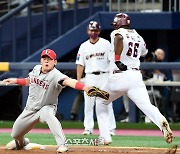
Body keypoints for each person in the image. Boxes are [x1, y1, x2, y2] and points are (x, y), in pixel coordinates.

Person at [95, 13, 173, 145]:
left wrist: (118, 59)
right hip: (135, 76)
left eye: (115, 24)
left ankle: (105, 136)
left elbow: (119, 38)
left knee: (100, 101)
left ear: (119, 23)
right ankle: (161, 121)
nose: (114, 26)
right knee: (147, 106)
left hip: (119, 75)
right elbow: (146, 54)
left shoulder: (118, 32)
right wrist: (154, 56)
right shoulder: (139, 37)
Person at [3, 49, 101, 153]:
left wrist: (84, 87)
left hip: (46, 107)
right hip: (30, 109)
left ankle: (62, 144)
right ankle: (23, 143)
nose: (46, 61)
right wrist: (15, 80)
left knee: (48, 115)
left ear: (55, 62)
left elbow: (69, 81)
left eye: (49, 59)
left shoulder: (56, 75)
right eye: (44, 58)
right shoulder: (36, 69)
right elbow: (29, 81)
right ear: (41, 60)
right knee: (15, 134)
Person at [76, 21, 116, 136]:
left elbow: (112, 61)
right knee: (88, 104)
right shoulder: (84, 46)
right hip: (90, 77)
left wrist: (112, 76)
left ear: (99, 31)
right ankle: (88, 128)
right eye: (91, 30)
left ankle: (110, 129)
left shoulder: (106, 43)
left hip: (104, 75)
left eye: (95, 30)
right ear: (88, 31)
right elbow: (80, 64)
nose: (93, 32)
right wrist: (78, 81)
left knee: (107, 102)